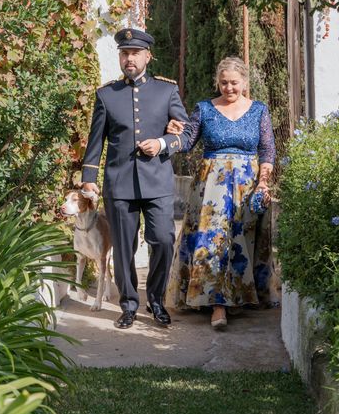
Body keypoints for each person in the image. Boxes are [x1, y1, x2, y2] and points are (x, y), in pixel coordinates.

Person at [81, 28, 191, 330]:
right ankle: (128, 304)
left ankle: (155, 300)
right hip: (119, 184)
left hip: (157, 182)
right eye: (124, 53)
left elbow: (186, 134)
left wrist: (163, 143)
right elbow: (96, 141)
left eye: (135, 53)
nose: (129, 59)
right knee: (124, 246)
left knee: (164, 240)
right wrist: (88, 177)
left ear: (147, 56)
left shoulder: (166, 91)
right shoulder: (106, 95)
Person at [165, 56, 276, 329]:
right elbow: (187, 142)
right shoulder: (204, 109)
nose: (229, 88)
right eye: (224, 82)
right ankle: (217, 305)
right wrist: (171, 132)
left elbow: (267, 150)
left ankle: (238, 296)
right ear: (218, 82)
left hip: (247, 186)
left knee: (241, 241)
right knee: (212, 241)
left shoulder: (259, 110)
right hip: (210, 189)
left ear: (245, 83)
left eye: (234, 83)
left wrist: (263, 182)